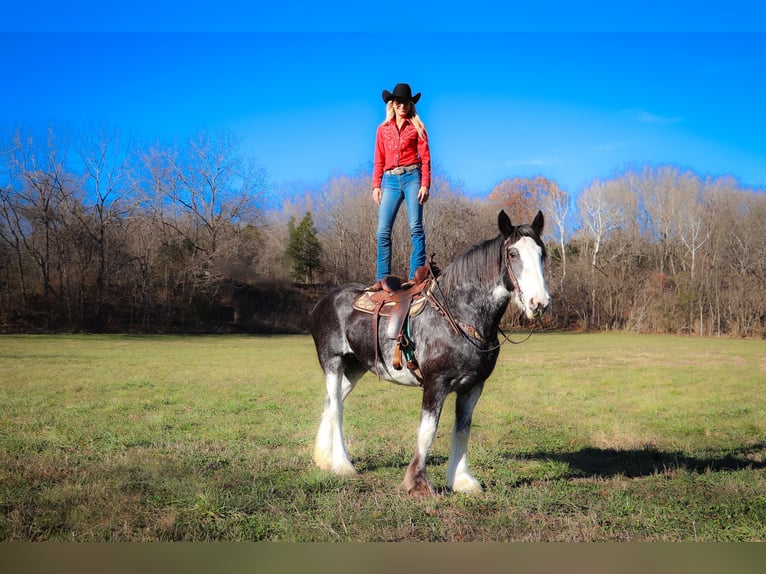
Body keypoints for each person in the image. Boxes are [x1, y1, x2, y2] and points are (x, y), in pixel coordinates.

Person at [371, 83, 431, 289]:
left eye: (406, 102)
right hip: (390, 180)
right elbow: (378, 158)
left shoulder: (417, 127)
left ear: (410, 104)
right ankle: (382, 278)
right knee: (382, 230)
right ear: (392, 104)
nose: (402, 106)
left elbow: (425, 158)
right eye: (398, 102)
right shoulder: (382, 129)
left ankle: (416, 275)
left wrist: (425, 184)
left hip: (413, 176)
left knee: (415, 226)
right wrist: (376, 185)